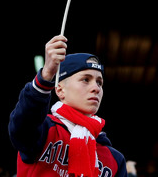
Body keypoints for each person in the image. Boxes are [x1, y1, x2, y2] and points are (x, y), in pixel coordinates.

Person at [8, 35, 127, 177]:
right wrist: (46, 75)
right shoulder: (43, 129)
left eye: (99, 82)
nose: (96, 88)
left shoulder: (115, 159)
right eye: (85, 79)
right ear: (59, 90)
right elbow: (20, 128)